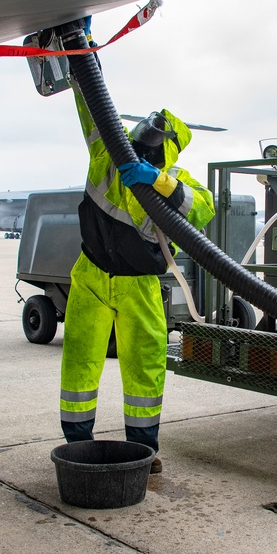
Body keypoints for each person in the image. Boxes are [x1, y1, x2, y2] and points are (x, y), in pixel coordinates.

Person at [59, 81, 214, 474]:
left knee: (144, 365)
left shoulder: (173, 177)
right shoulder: (106, 152)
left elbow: (203, 209)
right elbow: (91, 109)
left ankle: (144, 451)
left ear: (170, 147)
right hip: (91, 275)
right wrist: (82, 62)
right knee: (80, 361)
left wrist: (157, 180)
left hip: (140, 284)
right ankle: (78, 447)